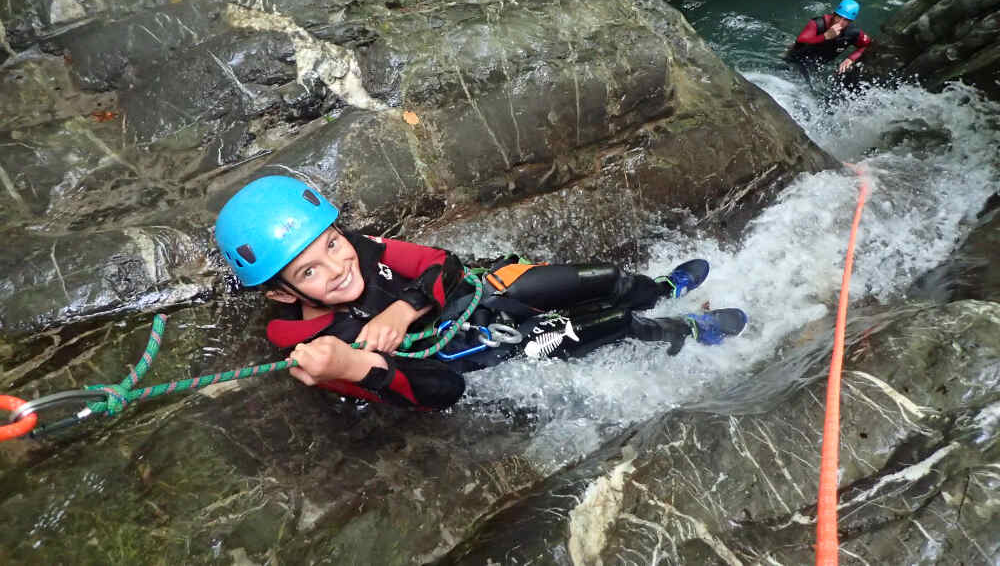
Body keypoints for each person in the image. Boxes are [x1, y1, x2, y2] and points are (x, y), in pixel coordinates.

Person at [214, 176, 749, 410]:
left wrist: (404, 307)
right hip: (487, 348)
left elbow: (442, 265)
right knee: (606, 324)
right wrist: (355, 369)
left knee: (600, 278)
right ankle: (678, 328)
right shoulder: (316, 347)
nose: (336, 266)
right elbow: (441, 392)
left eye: (332, 244)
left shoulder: (357, 246)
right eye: (308, 273)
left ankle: (657, 289)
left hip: (482, 295)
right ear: (281, 294)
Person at [785, 0, 872, 90]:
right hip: (798, 58)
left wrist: (851, 58)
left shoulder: (853, 32)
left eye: (845, 20)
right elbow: (801, 40)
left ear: (850, 22)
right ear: (834, 15)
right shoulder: (818, 24)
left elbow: (867, 45)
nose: (840, 22)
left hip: (818, 64)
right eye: (839, 17)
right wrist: (825, 36)